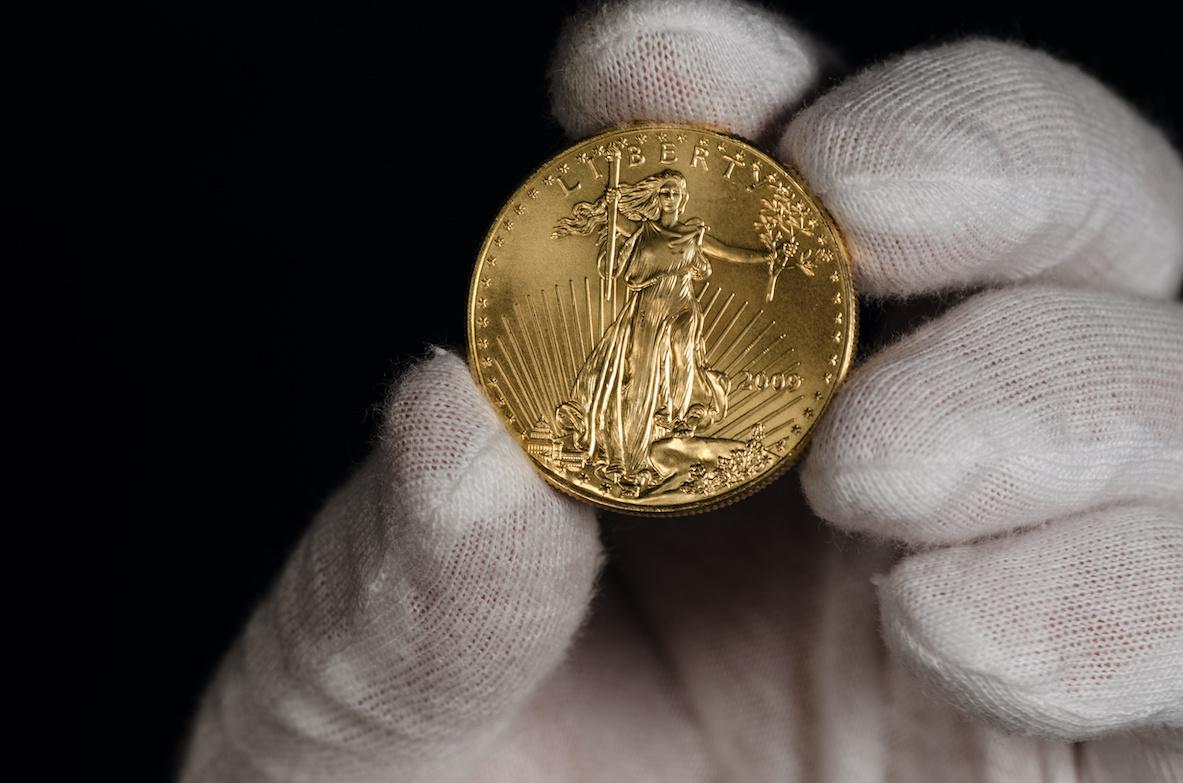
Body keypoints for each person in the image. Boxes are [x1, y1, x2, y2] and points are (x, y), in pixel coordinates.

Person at [179, 1, 1183, 781]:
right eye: (658, 197)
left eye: (666, 195)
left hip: (697, 351)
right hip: (637, 350)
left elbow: (718, 254)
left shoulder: (683, 235)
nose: (664, 199)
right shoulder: (643, 238)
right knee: (636, 397)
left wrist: (765, 256)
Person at [552, 170, 768, 493]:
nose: (670, 198)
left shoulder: (693, 234)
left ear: (684, 199)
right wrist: (610, 204)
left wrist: (767, 257)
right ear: (657, 197)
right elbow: (614, 222)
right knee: (641, 378)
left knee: (683, 361)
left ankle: (678, 419)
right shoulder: (644, 230)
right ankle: (633, 457)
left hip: (682, 305)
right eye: (665, 193)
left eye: (675, 193)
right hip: (648, 309)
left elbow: (731, 252)